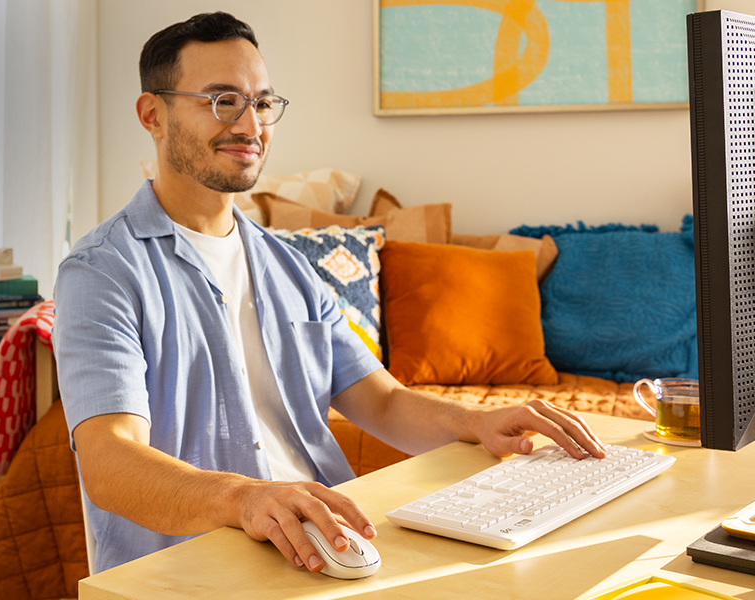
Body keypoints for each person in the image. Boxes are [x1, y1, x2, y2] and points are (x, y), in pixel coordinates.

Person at [53, 11, 607, 575]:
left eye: (262, 103)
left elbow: (383, 402)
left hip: (329, 545)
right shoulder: (102, 273)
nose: (250, 124)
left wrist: (475, 421)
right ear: (154, 114)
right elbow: (109, 459)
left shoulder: (288, 265)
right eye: (222, 100)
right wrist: (244, 498)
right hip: (197, 566)